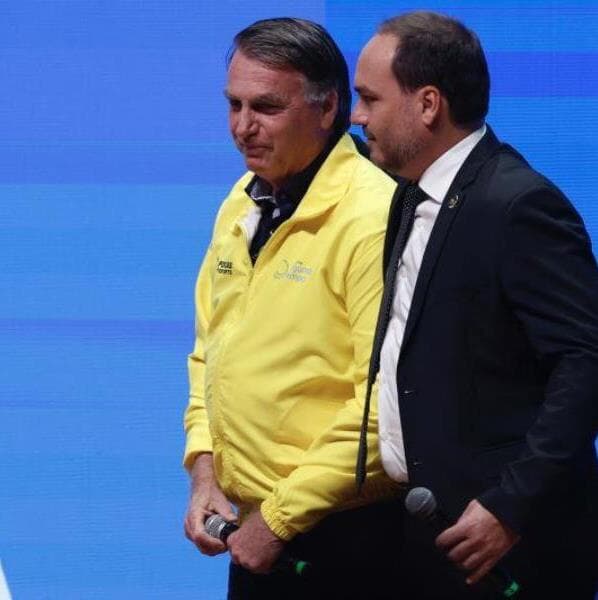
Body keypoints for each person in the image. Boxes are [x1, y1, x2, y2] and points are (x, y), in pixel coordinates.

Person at [352, 10, 598, 600]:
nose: (357, 117)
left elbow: (586, 362)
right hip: (428, 537)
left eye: (369, 99)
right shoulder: (410, 196)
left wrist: (511, 505)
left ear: (428, 104)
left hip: (508, 551)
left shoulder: (519, 205)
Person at [183, 17, 400, 599]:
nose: (243, 127)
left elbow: (384, 408)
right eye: (233, 105)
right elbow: (210, 353)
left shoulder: (373, 217)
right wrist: (204, 470)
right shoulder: (242, 200)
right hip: (255, 534)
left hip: (348, 539)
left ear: (327, 108)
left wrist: (279, 519)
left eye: (266, 108)